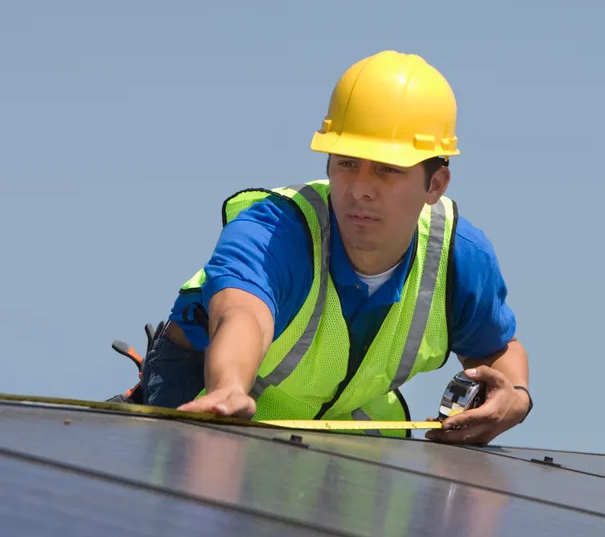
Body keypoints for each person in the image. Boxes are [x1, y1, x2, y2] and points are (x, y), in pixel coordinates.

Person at [115, 50, 532, 445]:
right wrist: (228, 388)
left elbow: (496, 349)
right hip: (205, 392)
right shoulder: (273, 230)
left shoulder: (459, 258)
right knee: (200, 500)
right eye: (347, 163)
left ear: (435, 185)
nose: (361, 190)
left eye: (387, 170)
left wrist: (514, 398)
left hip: (339, 416)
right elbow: (242, 314)